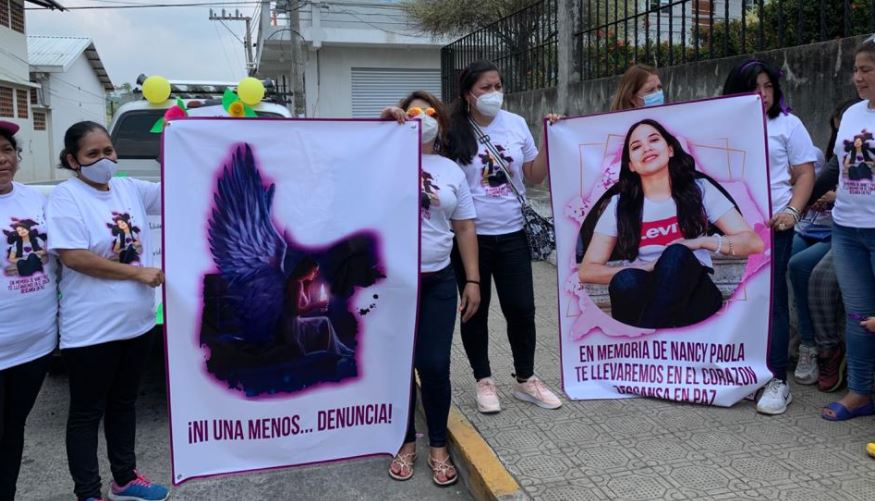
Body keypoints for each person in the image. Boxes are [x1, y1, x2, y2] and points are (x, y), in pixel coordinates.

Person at [46, 121, 169, 501]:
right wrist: (136, 272)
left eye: (109, 151)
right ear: (73, 160)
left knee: (123, 404)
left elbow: (181, 189)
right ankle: (88, 493)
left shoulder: (129, 188)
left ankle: (125, 479)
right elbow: (74, 256)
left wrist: (183, 143)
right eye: (93, 154)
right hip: (92, 330)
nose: (105, 160)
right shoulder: (66, 197)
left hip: (137, 324)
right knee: (86, 414)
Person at [445, 60, 561, 413]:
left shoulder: (516, 124)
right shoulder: (452, 129)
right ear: (468, 94)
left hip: (513, 233)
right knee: (474, 310)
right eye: (485, 88)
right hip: (469, 238)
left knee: (522, 309)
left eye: (498, 86)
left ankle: (525, 379)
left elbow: (535, 175)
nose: (494, 93)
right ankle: (484, 381)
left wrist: (547, 139)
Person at [381, 91, 480, 486]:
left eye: (431, 112)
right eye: (413, 113)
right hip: (391, 282)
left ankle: (438, 445)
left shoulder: (452, 170)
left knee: (435, 364)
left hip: (439, 279)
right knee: (398, 366)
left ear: (441, 122)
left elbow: (465, 227)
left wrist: (472, 280)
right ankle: (404, 441)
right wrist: (381, 128)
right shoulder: (381, 160)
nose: (422, 118)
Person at [577, 119, 763, 328]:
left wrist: (699, 243)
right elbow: (587, 271)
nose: (646, 148)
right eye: (636, 147)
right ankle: (653, 341)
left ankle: (643, 347)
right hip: (649, 289)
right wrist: (645, 267)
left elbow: (753, 242)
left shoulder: (699, 190)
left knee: (676, 254)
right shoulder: (620, 205)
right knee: (625, 281)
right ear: (631, 165)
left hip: (696, 294)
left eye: (654, 140)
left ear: (671, 149)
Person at [722, 58, 816, 415]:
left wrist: (792, 211)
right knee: (738, 301)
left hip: (772, 228)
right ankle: (748, 371)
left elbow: (805, 174)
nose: (761, 95)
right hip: (733, 231)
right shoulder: (723, 126)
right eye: (753, 87)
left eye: (768, 87)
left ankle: (777, 379)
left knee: (772, 302)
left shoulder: (788, 125)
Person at [0, 120, 57, 500]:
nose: (1, 159)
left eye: (6, 150)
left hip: (34, 345)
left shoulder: (38, 199)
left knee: (13, 429)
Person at [820, 38, 875, 428]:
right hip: (847, 229)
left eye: (866, 70)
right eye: (855, 69)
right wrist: (797, 201)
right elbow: (834, 166)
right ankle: (859, 390)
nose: (857, 77)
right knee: (859, 315)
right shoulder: (854, 113)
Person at [790, 99, 858, 387]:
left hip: (841, 231)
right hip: (819, 228)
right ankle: (811, 344)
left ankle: (826, 349)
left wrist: (833, 199)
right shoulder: (834, 156)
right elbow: (817, 184)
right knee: (783, 258)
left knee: (810, 271)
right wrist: (802, 204)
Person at [278, 256, 353, 357]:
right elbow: (295, 310)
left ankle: (338, 349)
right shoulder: (296, 283)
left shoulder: (299, 283)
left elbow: (305, 304)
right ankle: (330, 353)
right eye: (314, 271)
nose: (316, 274)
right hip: (292, 325)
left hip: (295, 321)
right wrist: (317, 305)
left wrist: (308, 286)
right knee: (324, 321)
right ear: (306, 270)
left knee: (324, 321)